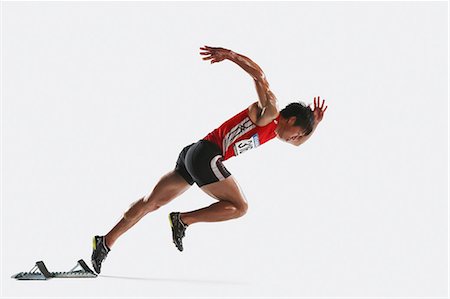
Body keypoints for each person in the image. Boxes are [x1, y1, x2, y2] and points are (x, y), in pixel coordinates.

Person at [91, 45, 328, 274]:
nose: (295, 139)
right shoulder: (271, 112)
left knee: (151, 202)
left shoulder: (276, 132)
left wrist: (314, 125)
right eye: (297, 132)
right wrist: (231, 55)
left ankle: (105, 241)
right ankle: (183, 220)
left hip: (193, 154)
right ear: (292, 119)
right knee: (240, 207)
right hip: (207, 155)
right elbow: (260, 76)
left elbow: (297, 144)